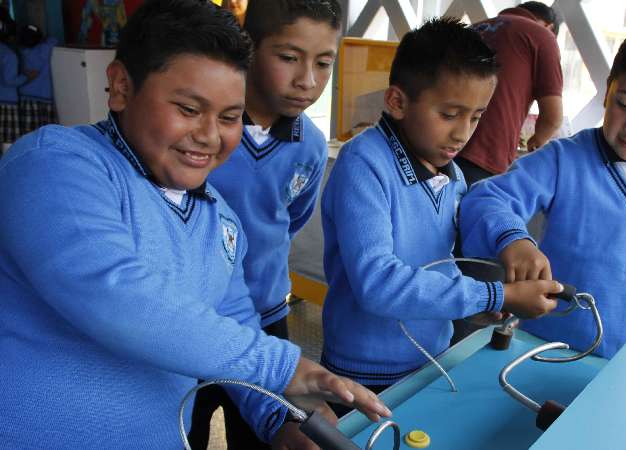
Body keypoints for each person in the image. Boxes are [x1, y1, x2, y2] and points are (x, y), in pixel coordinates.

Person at [0, 1, 389, 449]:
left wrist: (278, 416)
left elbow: (233, 322)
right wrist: (281, 367)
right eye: (188, 108)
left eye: (229, 118)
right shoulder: (56, 164)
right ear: (122, 86)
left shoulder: (218, 218)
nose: (209, 136)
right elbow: (116, 295)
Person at [320, 17, 565, 415]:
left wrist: (512, 242)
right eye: (449, 114)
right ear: (397, 101)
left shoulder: (448, 170)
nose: (462, 133)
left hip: (429, 358)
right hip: (363, 374)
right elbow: (378, 283)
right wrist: (494, 293)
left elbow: (451, 247)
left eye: (475, 116)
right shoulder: (363, 164)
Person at [459, 22, 626, 359]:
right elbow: (485, 199)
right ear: (608, 90)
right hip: (542, 349)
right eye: (623, 104)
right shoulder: (563, 160)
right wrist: (514, 239)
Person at [192, 0, 341, 448]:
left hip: (266, 315)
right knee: (186, 428)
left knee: (259, 433)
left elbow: (289, 222)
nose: (307, 81)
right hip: (192, 318)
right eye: (289, 57)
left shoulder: (310, 147)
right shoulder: (201, 135)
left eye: (324, 62)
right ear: (250, 47)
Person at [455, 1, 563, 186]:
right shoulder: (542, 35)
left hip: (438, 147)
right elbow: (553, 117)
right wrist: (538, 140)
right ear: (549, 27)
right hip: (486, 154)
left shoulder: (471, 29)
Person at [0, 15, 37, 151]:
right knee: (8, 142)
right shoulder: (8, 54)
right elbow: (10, 81)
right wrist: (27, 77)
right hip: (7, 103)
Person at [18, 24, 59, 136]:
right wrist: (45, 38)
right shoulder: (46, 48)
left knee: (29, 132)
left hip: (26, 96)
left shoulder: (23, 52)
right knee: (48, 131)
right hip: (46, 96)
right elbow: (54, 39)